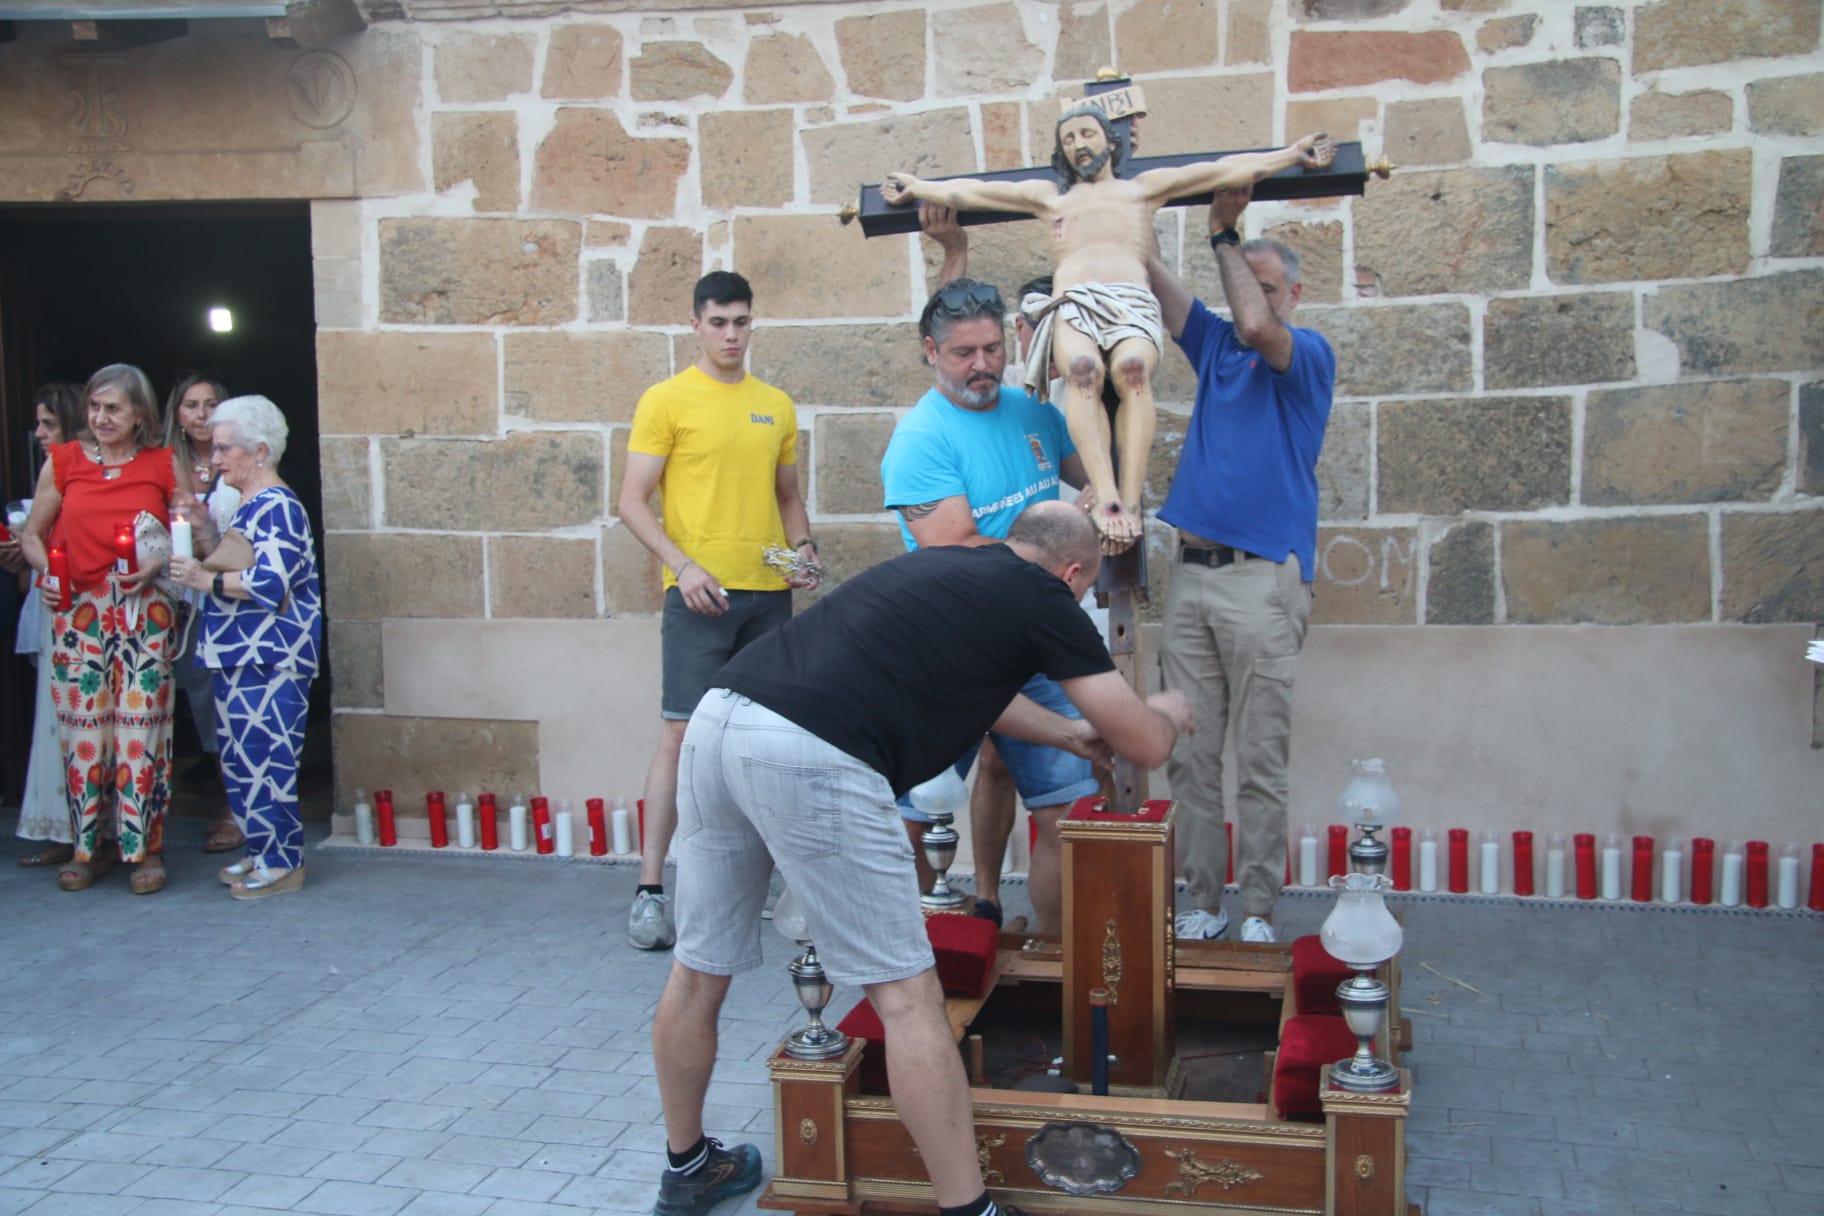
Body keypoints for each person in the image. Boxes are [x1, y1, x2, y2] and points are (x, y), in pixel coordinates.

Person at [651, 501, 1192, 1216]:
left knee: (697, 970)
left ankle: (686, 1168)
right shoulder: (1045, 598)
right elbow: (1145, 744)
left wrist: (1065, 736)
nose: (1086, 600)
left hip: (721, 720)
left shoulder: (949, 565)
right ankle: (969, 1208)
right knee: (908, 999)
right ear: (1073, 571)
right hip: (811, 750)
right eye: (1089, 589)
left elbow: (981, 694)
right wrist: (1170, 714)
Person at [881, 114, 1333, 550]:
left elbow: (1218, 169)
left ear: (1111, 143)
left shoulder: (1141, 191)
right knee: (1082, 371)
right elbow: (982, 190)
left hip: (1130, 302)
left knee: (1132, 370)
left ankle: (1128, 500)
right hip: (1076, 303)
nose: (1079, 144)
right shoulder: (1050, 198)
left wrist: (1290, 154)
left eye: (1088, 132)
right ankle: (1108, 494)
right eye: (1069, 136)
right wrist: (921, 187)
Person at [1145, 188, 1336, 944]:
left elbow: (1255, 324)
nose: (1246, 296)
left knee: (1259, 755)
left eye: (1263, 282)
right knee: (1188, 756)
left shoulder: (1306, 350)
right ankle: (1204, 900)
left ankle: (1256, 907)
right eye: (1238, 278)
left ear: (1293, 292)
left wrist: (1224, 229)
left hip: (1263, 578)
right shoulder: (1218, 346)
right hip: (1193, 573)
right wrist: (1127, 222)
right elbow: (1159, 284)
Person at [880, 279, 1097, 937]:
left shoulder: (1033, 414)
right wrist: (1066, 530)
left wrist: (1107, 492)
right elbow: (960, 553)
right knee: (920, 818)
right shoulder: (921, 437)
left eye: (993, 348)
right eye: (962, 352)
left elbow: (1098, 479)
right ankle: (900, 965)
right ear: (930, 351)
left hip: (1036, 647)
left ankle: (1061, 973)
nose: (981, 365)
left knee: (1073, 813)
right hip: (951, 653)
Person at [619, 270, 817, 950]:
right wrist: (683, 566)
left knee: (772, 740)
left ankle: (774, 884)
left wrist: (805, 550)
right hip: (699, 595)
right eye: (718, 322)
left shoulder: (775, 405)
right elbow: (631, 501)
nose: (731, 334)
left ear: (751, 324)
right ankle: (650, 891)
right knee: (680, 737)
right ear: (697, 325)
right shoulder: (667, 399)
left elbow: (787, 496)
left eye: (741, 322)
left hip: (769, 597)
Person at [17, 364, 185, 894]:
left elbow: (187, 536)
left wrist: (159, 566)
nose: (101, 417)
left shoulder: (162, 463)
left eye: (114, 408)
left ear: (141, 414)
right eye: (94, 407)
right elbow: (32, 534)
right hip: (79, 612)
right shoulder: (63, 461)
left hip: (143, 612)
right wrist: (47, 572)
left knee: (142, 731)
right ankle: (88, 848)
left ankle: (145, 850)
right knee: (85, 734)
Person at [166, 395, 322, 900]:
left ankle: (283, 861)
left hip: (271, 657)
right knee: (241, 762)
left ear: (259, 450)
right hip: (240, 654)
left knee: (268, 760)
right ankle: (261, 850)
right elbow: (232, 557)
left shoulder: (279, 505)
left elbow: (270, 581)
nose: (215, 458)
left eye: (224, 448)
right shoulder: (252, 505)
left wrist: (200, 582)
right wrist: (203, 531)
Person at [162, 371, 244, 854]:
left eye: (210, 404)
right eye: (191, 405)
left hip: (229, 592)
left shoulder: (239, 460)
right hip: (183, 600)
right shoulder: (163, 464)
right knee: (202, 702)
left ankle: (237, 809)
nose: (200, 414)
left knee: (231, 700)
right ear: (176, 412)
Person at [6, 383, 85, 868]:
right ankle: (63, 826)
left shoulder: (78, 467)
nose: (38, 433)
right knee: (55, 717)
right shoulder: (53, 468)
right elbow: (38, 537)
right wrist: (24, 549)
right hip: (54, 598)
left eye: (48, 423)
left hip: (82, 602)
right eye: (38, 423)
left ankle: (85, 828)